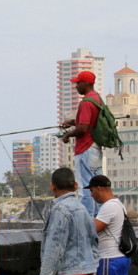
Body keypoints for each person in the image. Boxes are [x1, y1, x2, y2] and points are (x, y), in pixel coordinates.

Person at [58, 70, 105, 217]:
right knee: (99, 186)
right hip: (95, 148)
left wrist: (67, 136)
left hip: (86, 148)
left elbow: (83, 128)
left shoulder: (86, 103)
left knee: (86, 187)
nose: (76, 86)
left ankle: (87, 220)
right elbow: (87, 121)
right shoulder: (96, 99)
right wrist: (72, 122)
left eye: (78, 83)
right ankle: (100, 217)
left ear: (85, 83)